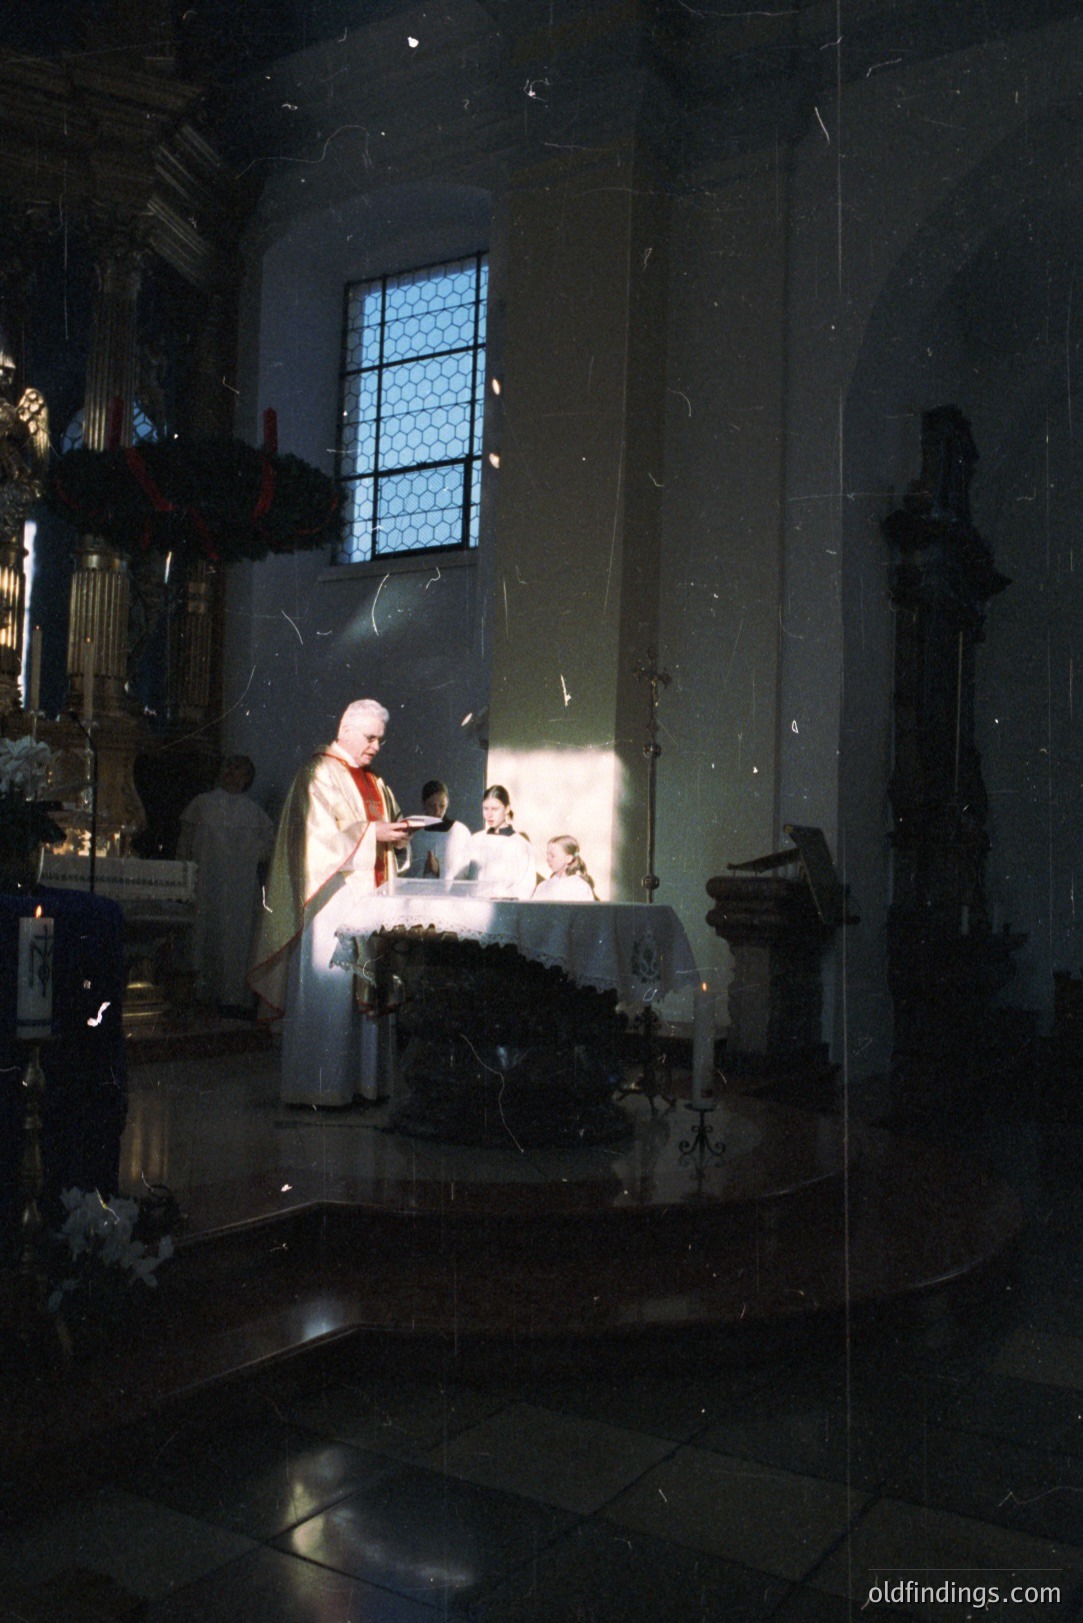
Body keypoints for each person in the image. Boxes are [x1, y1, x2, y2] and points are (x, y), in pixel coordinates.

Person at [247, 699, 410, 1106]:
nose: (376, 746)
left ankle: (365, 1084)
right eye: (370, 738)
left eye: (380, 740)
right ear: (346, 730)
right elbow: (316, 840)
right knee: (330, 992)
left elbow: (383, 834)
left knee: (366, 984)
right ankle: (321, 1087)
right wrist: (376, 836)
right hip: (330, 903)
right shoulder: (318, 773)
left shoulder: (376, 782)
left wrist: (400, 835)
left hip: (371, 904)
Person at [177, 755, 275, 1012]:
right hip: (205, 884)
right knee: (201, 934)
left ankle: (232, 997)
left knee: (236, 940)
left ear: (248, 779)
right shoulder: (202, 804)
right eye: (229, 767)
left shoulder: (255, 814)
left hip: (238, 890)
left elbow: (267, 850)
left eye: (240, 770)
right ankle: (198, 993)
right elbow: (185, 846)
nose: (232, 773)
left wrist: (243, 854)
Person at [459, 784, 536, 899]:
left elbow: (526, 886)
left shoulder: (520, 844)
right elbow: (462, 878)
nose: (489, 814)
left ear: (507, 809)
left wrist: (503, 896)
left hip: (505, 909)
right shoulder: (475, 840)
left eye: (495, 809)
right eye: (485, 809)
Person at [404, 779, 471, 885]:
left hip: (449, 898)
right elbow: (406, 872)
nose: (437, 811)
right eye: (431, 805)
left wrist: (439, 871)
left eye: (441, 805)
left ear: (447, 803)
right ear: (424, 804)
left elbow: (464, 871)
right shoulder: (415, 834)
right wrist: (424, 871)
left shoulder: (459, 832)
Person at [532, 835, 598, 901]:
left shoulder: (580, 887)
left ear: (568, 858)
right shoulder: (542, 886)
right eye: (547, 855)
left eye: (552, 856)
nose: (547, 859)